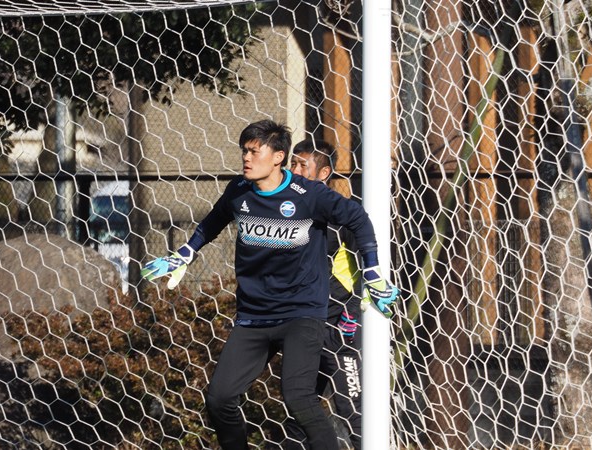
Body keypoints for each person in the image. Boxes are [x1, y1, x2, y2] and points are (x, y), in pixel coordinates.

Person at [141, 120, 399, 450]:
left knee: (299, 398)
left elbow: (358, 220)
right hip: (254, 316)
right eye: (244, 151)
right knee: (219, 398)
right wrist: (186, 253)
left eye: (254, 151)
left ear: (278, 157)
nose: (246, 158)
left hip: (302, 314)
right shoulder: (239, 191)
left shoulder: (309, 195)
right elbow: (212, 221)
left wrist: (373, 271)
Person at [286, 139, 362, 449]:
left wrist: (351, 316)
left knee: (353, 410)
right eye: (292, 164)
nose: (294, 171)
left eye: (302, 165)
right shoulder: (286, 213)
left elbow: (367, 271)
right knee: (297, 411)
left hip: (338, 328)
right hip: (303, 326)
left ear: (324, 173)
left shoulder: (344, 214)